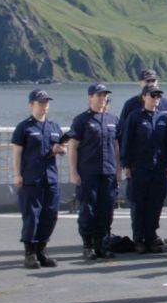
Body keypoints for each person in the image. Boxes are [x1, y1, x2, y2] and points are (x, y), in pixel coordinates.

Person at [11, 89, 66, 269]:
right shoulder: (24, 127)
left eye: (46, 103)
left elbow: (62, 148)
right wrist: (17, 174)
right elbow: (17, 153)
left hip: (50, 178)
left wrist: (61, 150)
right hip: (31, 178)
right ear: (31, 105)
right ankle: (30, 252)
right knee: (32, 216)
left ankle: (42, 249)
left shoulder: (54, 127)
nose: (44, 106)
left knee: (50, 215)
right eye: (40, 102)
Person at [67, 83, 120, 261]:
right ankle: (88, 245)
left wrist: (118, 171)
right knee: (88, 210)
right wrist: (73, 172)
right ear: (90, 97)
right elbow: (73, 147)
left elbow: (116, 147)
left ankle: (101, 244)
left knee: (106, 210)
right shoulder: (82, 120)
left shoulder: (113, 119)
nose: (102, 99)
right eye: (99, 95)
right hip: (89, 172)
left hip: (108, 172)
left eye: (104, 96)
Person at [120, 84, 167, 254]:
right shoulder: (135, 117)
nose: (156, 99)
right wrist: (126, 165)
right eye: (152, 96)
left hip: (158, 167)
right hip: (139, 167)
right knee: (139, 203)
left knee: (155, 203)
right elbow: (126, 141)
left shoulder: (163, 117)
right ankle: (139, 238)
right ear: (144, 97)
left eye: (158, 96)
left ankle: (151, 236)